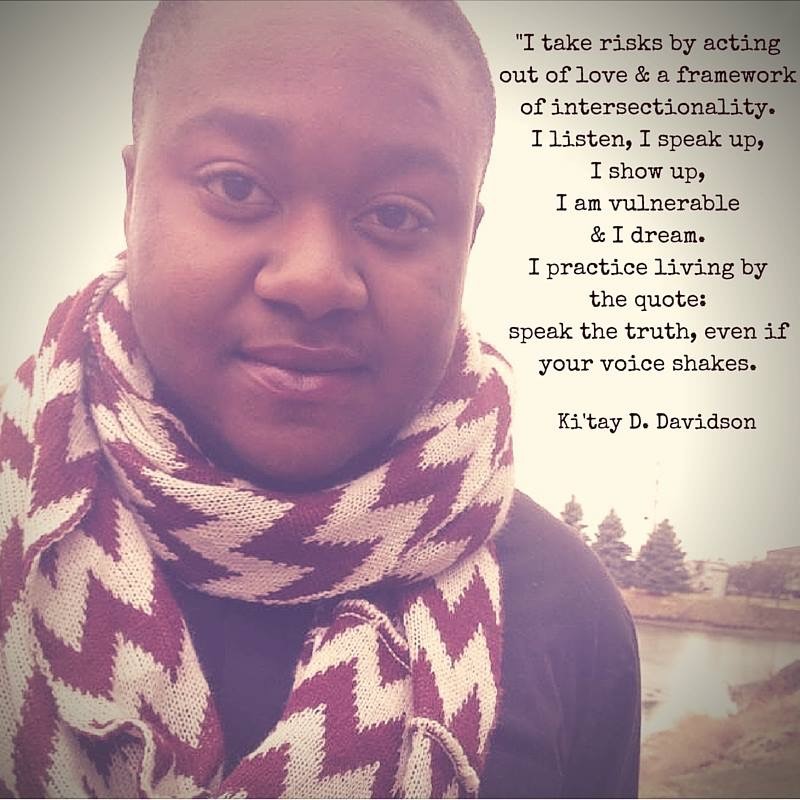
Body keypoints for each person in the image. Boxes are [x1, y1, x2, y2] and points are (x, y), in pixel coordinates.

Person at [0, 1, 640, 797]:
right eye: (237, 185)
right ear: (133, 195)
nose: (313, 279)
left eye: (397, 214)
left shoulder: (570, 618)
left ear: (466, 242)